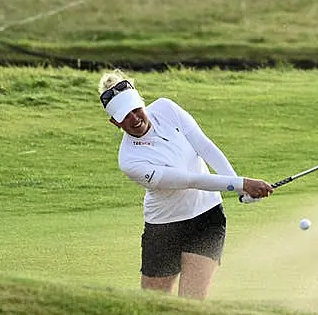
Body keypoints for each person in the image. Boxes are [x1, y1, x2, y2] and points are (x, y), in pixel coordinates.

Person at [98, 70, 273, 300]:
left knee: (191, 304)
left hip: (207, 219)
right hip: (163, 230)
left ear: (142, 102)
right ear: (114, 122)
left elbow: (205, 147)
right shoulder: (130, 160)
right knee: (154, 306)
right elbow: (189, 181)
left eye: (135, 109)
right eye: (124, 116)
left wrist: (240, 187)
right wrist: (242, 183)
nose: (134, 119)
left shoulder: (165, 108)